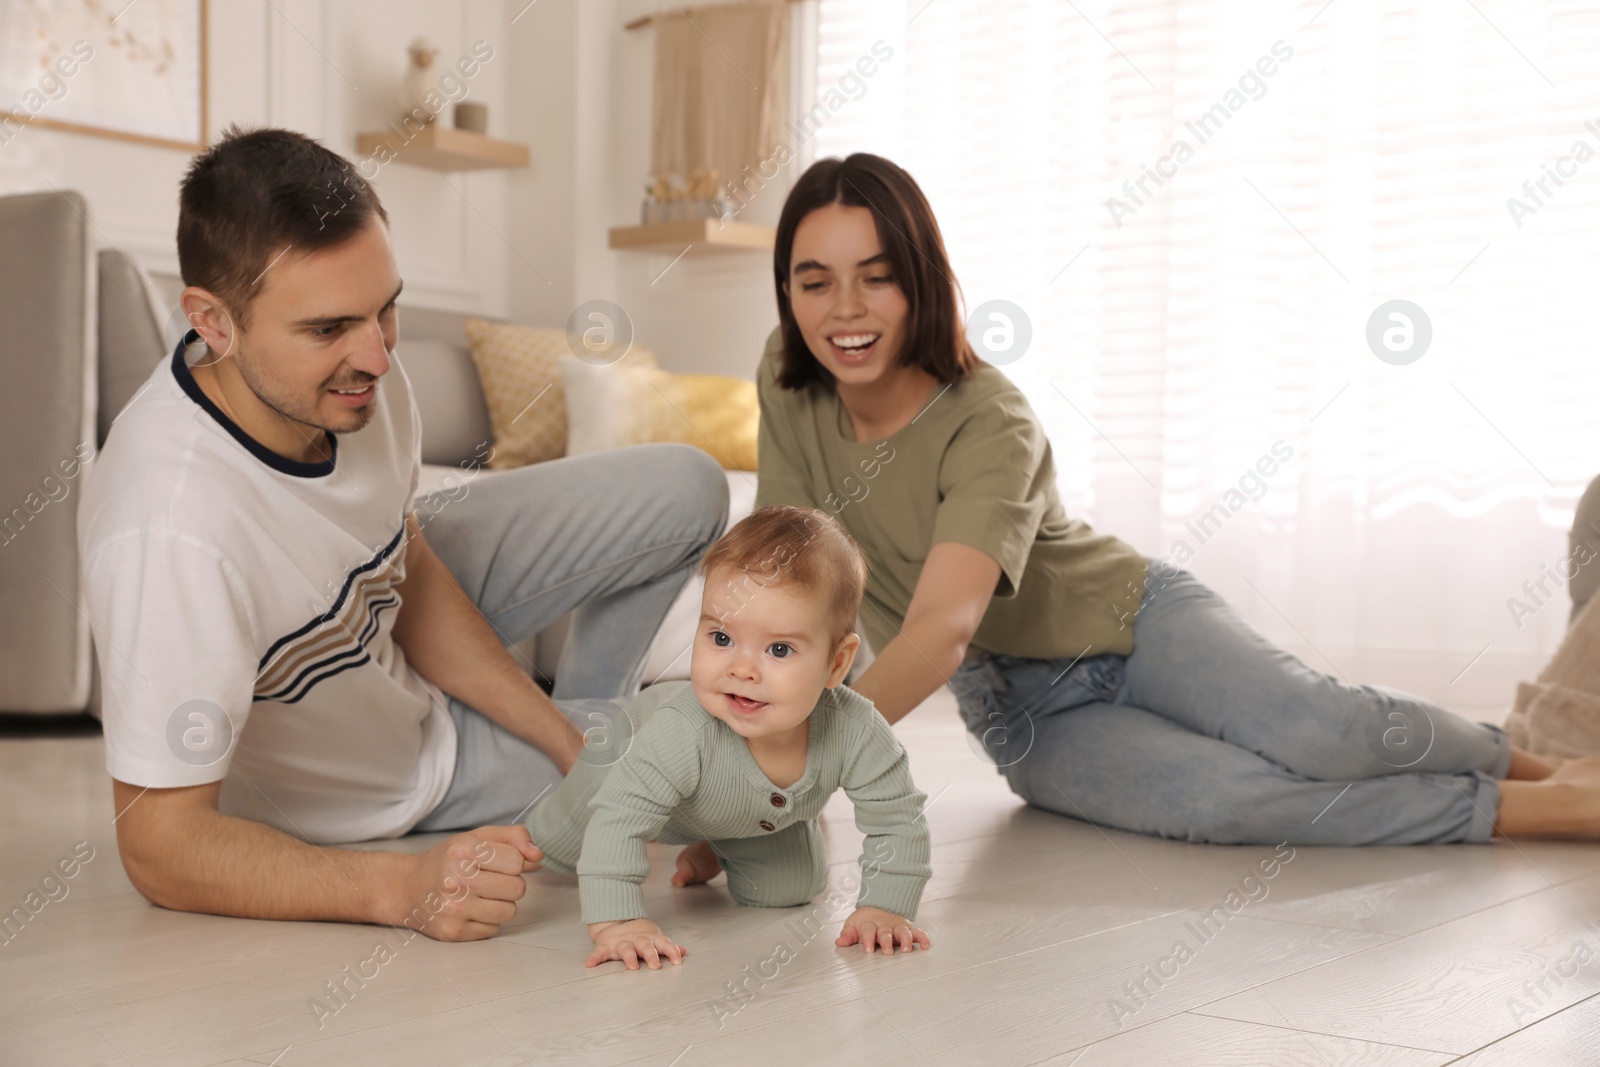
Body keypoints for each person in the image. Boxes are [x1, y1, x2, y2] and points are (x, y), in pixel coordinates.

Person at [752, 151, 1600, 846]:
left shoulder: (987, 415)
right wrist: (733, 770)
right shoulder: (788, 384)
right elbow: (794, 580)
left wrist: (799, 763)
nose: (846, 310)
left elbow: (942, 627)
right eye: (814, 280)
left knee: (1324, 732)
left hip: (1135, 621)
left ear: (921, 281)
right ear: (788, 290)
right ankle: (1512, 810)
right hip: (1018, 706)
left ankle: (1530, 769)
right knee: (1228, 803)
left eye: (877, 276)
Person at [78, 125, 728, 941]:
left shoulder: (359, 376)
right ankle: (603, 751)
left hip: (389, 638)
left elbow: (401, 561)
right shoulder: (169, 531)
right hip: (387, 784)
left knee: (686, 488)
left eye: (386, 309)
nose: (378, 357)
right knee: (697, 760)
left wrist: (565, 741)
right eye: (327, 329)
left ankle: (588, 734)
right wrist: (397, 887)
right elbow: (159, 847)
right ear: (214, 321)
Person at [524, 506, 933, 970]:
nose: (741, 669)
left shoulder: (856, 730)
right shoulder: (679, 729)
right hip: (626, 761)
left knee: (789, 889)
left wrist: (885, 906)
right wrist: (618, 923)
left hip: (745, 817)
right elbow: (618, 819)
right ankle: (524, 842)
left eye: (779, 649)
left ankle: (717, 842)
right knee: (556, 845)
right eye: (720, 638)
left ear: (837, 664)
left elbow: (898, 818)